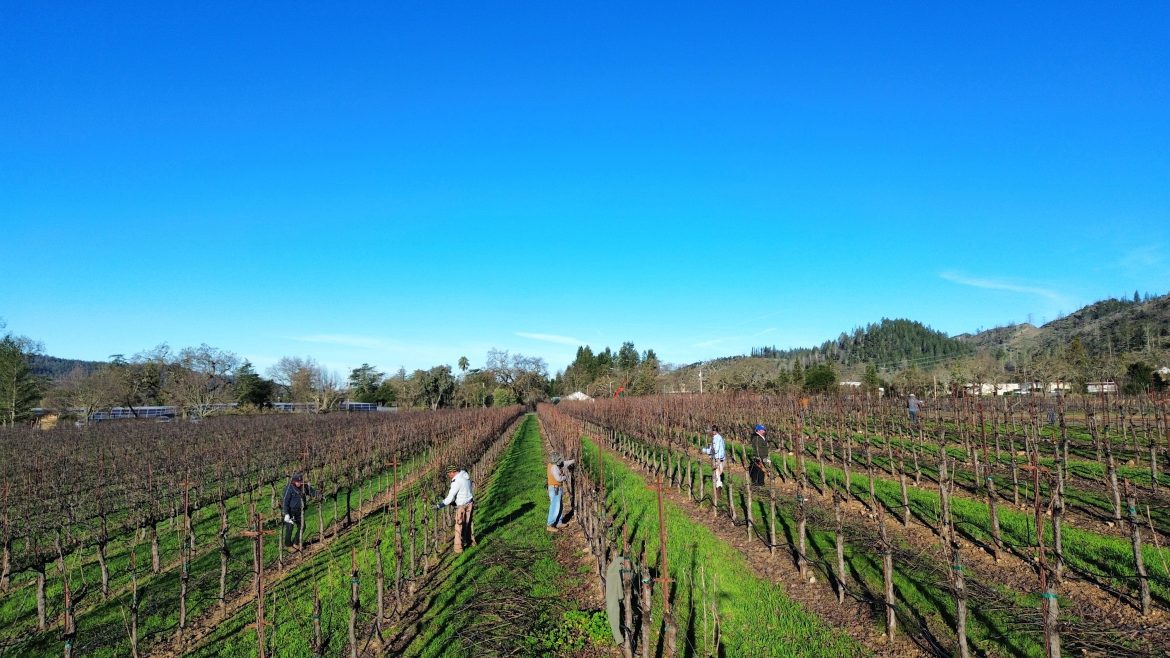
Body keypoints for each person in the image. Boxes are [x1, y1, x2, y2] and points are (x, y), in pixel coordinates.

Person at [435, 464, 475, 553]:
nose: (448, 475)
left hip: (462, 506)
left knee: (458, 526)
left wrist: (439, 505)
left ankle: (458, 549)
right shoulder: (465, 476)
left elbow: (450, 498)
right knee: (468, 524)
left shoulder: (456, 481)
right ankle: (471, 542)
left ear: (453, 472)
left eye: (449, 473)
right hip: (470, 503)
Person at [281, 473, 317, 549]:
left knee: (302, 526)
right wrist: (286, 513)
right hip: (291, 511)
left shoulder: (304, 487)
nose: (299, 483)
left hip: (300, 511)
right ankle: (288, 544)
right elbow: (285, 502)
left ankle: (296, 543)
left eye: (301, 481)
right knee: (290, 528)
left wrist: (317, 493)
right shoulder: (288, 489)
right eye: (298, 482)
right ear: (294, 481)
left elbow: (313, 493)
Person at [546, 451, 576, 532]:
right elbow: (559, 479)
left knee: (560, 506)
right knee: (555, 507)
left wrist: (573, 461)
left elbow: (564, 463)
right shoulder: (554, 467)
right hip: (555, 488)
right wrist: (565, 477)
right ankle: (550, 524)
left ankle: (559, 522)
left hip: (556, 488)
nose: (560, 460)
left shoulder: (552, 464)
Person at [700, 424, 726, 489]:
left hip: (717, 457)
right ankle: (719, 483)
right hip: (721, 456)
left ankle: (718, 484)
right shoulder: (720, 437)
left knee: (717, 470)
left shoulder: (716, 438)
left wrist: (704, 450)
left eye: (712, 431)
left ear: (714, 431)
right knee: (719, 471)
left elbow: (715, 450)